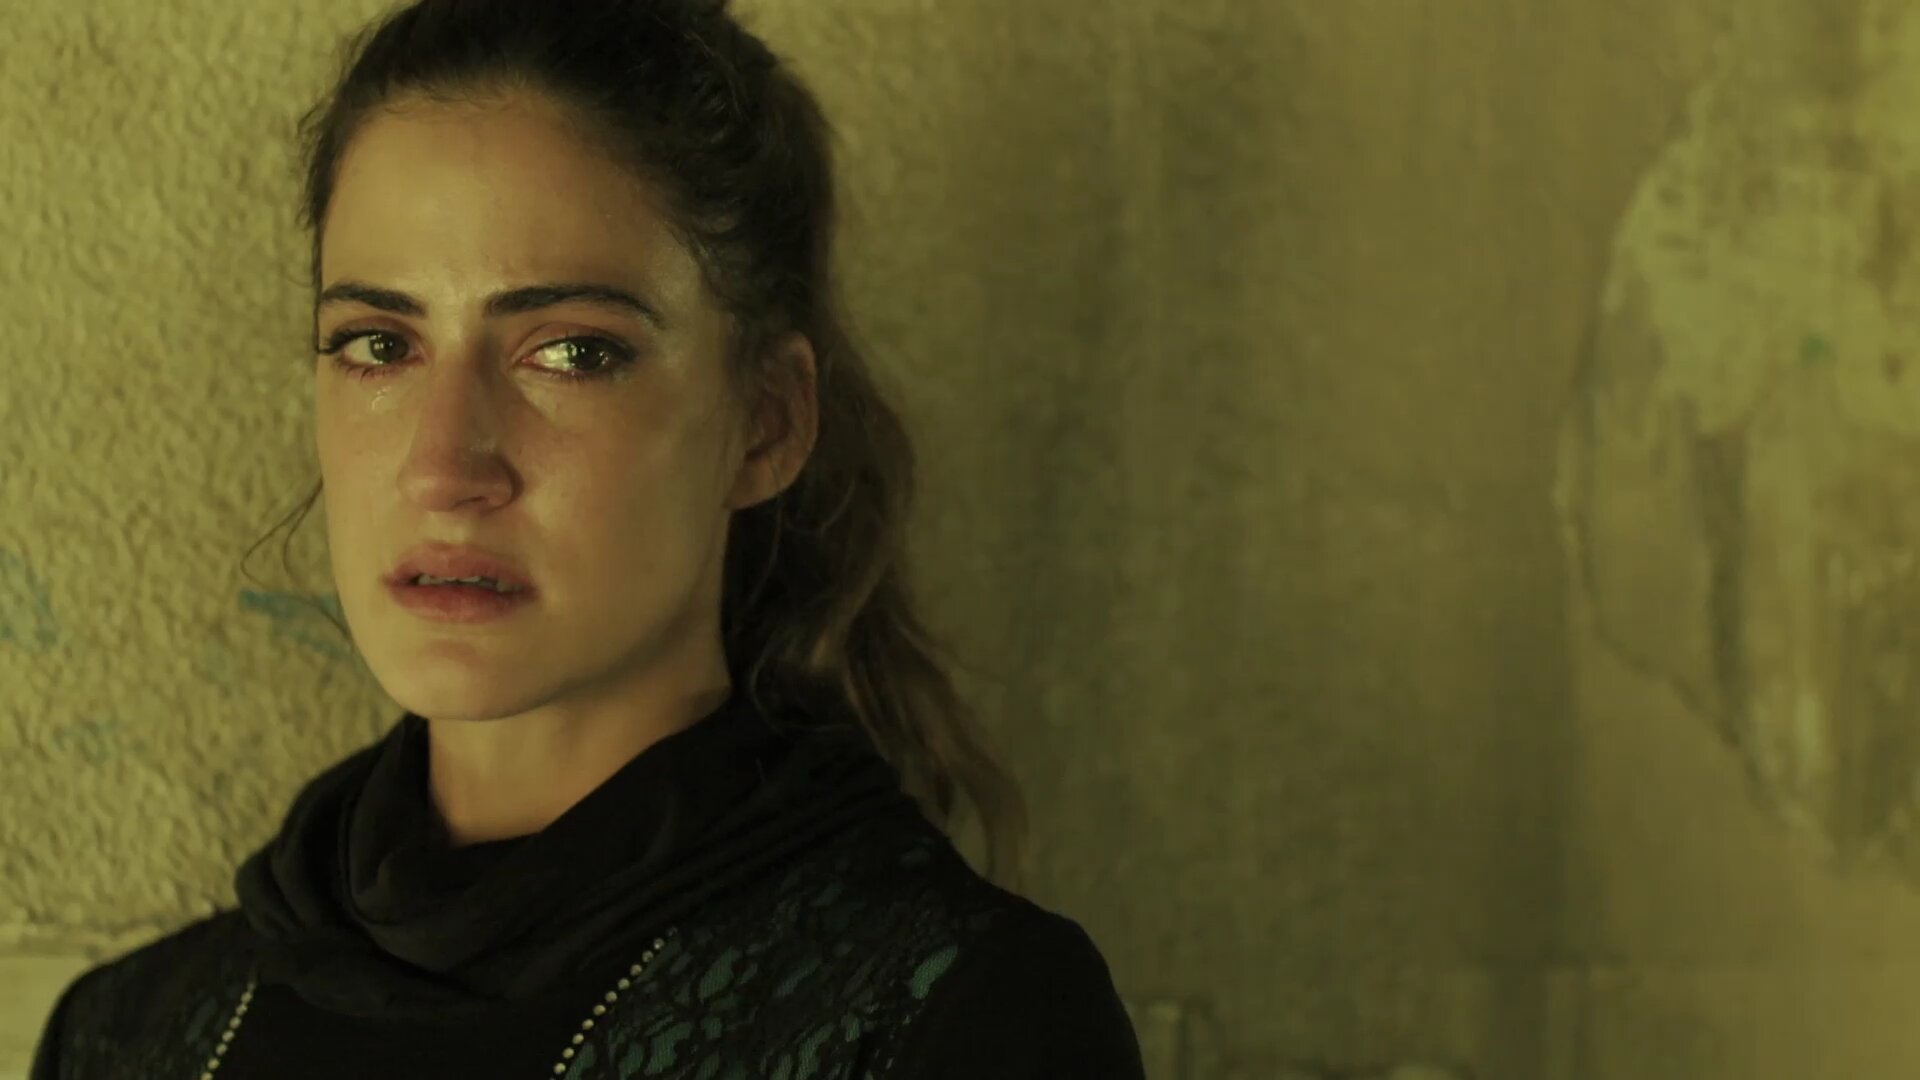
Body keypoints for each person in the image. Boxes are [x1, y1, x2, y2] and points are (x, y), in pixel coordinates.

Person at [27, 1, 1145, 1076]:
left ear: (765, 422)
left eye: (571, 353)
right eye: (378, 344)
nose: (443, 468)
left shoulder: (953, 1019)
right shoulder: (128, 1037)